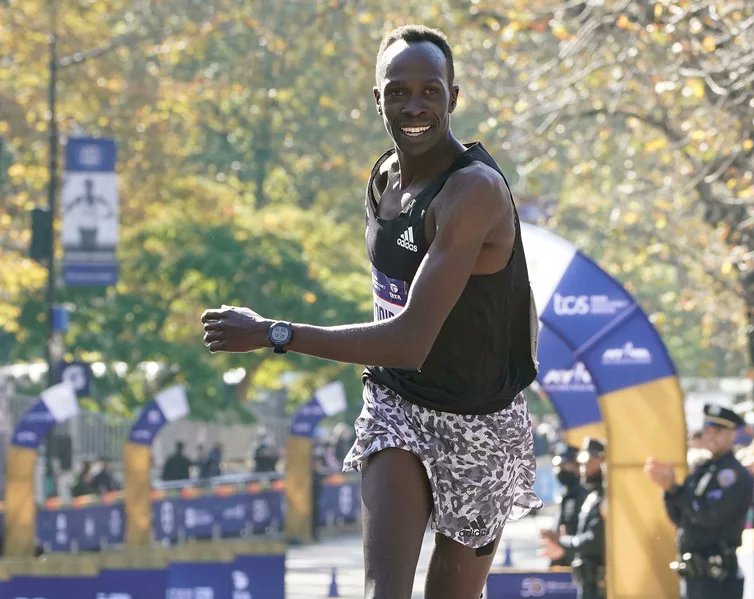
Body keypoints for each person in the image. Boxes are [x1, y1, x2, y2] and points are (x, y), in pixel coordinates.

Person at [200, 24, 540, 598]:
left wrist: (272, 333)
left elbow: (409, 339)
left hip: (484, 422)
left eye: (430, 91)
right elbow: (394, 324)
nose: (414, 106)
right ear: (376, 99)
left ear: (453, 98)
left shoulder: (472, 192)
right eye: (398, 91)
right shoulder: (384, 177)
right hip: (398, 402)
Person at [645, 404, 753, 599]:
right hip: (694, 574)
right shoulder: (702, 470)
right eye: (707, 431)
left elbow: (708, 516)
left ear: (732, 434)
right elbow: (679, 516)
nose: (710, 436)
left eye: (717, 431)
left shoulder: (733, 475)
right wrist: (669, 488)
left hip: (717, 577)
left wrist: (676, 490)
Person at [539, 438, 606, 598]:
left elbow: (594, 541)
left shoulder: (601, 497)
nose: (583, 468)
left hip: (600, 581)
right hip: (585, 579)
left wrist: (562, 542)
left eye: (587, 462)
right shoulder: (592, 496)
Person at [543, 443, 587, 567]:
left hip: (577, 562)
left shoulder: (585, 495)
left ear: (577, 466)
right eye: (558, 466)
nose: (560, 470)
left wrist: (562, 543)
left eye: (564, 465)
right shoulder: (564, 495)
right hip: (560, 562)